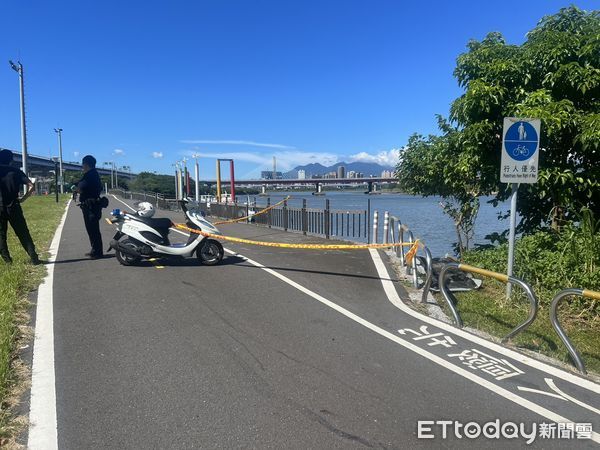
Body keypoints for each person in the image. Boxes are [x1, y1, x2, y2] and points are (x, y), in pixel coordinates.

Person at [0, 149, 40, 265]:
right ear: (11, 160)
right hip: (14, 206)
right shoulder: (15, 171)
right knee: (23, 232)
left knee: (1, 234)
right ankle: (33, 257)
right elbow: (31, 186)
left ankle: (7, 261)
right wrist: (23, 198)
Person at [76, 155, 103, 259]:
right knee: (92, 229)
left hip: (90, 206)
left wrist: (76, 188)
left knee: (93, 229)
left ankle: (97, 252)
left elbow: (80, 188)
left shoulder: (89, 175)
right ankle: (94, 250)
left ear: (86, 164)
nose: (82, 166)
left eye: (83, 164)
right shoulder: (94, 174)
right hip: (93, 205)